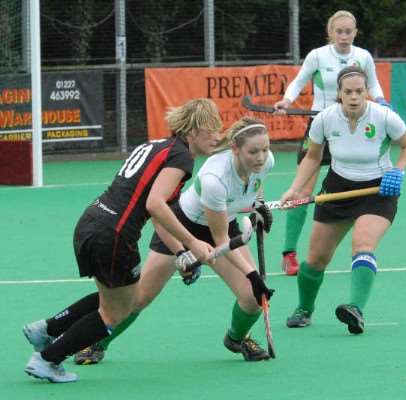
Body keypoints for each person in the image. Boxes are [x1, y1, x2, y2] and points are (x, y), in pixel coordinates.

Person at [22, 98, 224, 383]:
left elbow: (158, 214)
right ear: (192, 131)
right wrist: (193, 243)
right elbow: (156, 205)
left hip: (91, 222)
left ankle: (45, 329)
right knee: (118, 311)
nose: (218, 136)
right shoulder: (182, 157)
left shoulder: (157, 146)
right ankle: (47, 359)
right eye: (212, 130)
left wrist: (180, 252)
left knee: (115, 296)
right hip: (114, 236)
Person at [72, 116, 276, 365]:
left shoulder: (266, 162)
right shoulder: (215, 178)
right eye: (253, 151)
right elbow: (220, 239)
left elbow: (255, 185)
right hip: (182, 225)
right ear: (235, 149)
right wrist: (253, 275)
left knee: (252, 299)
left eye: (265, 150)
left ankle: (237, 338)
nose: (261, 157)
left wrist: (258, 205)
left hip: (224, 222)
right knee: (139, 298)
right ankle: (98, 342)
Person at [281, 65, 406, 334]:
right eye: (348, 92)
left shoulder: (384, 116)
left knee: (362, 245)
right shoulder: (324, 119)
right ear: (339, 94)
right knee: (316, 260)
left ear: (367, 91)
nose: (354, 96)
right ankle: (304, 309)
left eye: (359, 91)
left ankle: (355, 309)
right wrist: (295, 189)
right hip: (338, 189)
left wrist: (398, 171)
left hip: (378, 191)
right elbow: (312, 157)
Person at [274, 10, 391, 276]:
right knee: (303, 192)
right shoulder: (317, 55)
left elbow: (373, 85)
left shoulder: (363, 57)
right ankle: (289, 253)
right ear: (330, 33)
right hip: (320, 126)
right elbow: (298, 81)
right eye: (339, 31)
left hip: (351, 129)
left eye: (349, 32)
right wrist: (286, 101)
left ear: (355, 32)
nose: (344, 37)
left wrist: (382, 102)